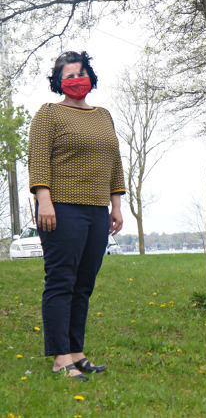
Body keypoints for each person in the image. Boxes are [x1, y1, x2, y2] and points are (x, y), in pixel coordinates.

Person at [28, 51, 126, 381]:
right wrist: (44, 200)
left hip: (98, 211)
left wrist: (116, 205)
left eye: (80, 74)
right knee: (61, 282)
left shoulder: (104, 116)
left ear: (90, 76)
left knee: (83, 284)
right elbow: (38, 160)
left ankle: (76, 351)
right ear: (58, 82)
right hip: (62, 210)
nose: (75, 80)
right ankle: (60, 357)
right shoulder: (49, 114)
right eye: (68, 76)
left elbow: (115, 163)